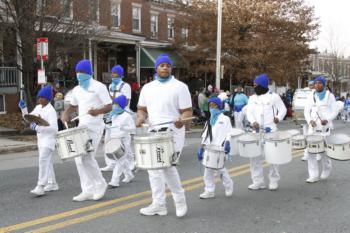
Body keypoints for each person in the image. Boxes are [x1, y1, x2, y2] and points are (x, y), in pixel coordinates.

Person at [136, 54, 192, 218]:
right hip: (153, 132)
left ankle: (179, 200)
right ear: (156, 68)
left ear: (171, 68)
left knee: (167, 167)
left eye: (168, 65)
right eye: (162, 65)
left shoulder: (180, 86)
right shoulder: (148, 88)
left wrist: (182, 120)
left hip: (173, 132)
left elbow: (187, 111)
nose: (165, 67)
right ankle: (158, 204)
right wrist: (140, 117)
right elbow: (142, 109)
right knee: (153, 169)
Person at [61, 59, 112, 201]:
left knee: (88, 157)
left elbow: (109, 106)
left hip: (95, 126)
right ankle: (87, 190)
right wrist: (65, 114)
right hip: (82, 126)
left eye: (82, 72)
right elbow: (72, 106)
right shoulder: (76, 90)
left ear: (89, 72)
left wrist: (97, 111)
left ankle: (100, 184)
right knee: (79, 159)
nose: (79, 74)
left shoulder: (99, 87)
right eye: (77, 72)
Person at [246, 74, 287, 190]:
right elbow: (249, 112)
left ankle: (273, 180)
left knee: (273, 157)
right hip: (256, 131)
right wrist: (253, 121)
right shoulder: (252, 98)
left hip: (271, 131)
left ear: (263, 85)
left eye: (256, 85)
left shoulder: (274, 97)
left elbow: (283, 109)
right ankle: (258, 181)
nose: (254, 87)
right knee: (254, 157)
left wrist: (278, 118)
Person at [18, 86, 59, 196]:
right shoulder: (38, 107)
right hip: (41, 140)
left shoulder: (51, 111)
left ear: (48, 99)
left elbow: (55, 128)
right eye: (39, 97)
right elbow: (28, 118)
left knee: (43, 161)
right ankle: (52, 184)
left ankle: (41, 186)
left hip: (49, 141)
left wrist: (38, 128)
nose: (40, 99)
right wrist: (24, 109)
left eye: (43, 97)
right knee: (47, 162)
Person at [197, 97, 233, 199]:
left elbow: (229, 132)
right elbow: (205, 136)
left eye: (214, 105)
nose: (212, 107)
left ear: (219, 106)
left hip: (220, 149)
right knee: (207, 171)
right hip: (210, 149)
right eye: (210, 105)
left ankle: (229, 186)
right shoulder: (209, 121)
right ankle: (209, 190)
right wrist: (201, 148)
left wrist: (228, 143)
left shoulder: (225, 119)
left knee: (221, 170)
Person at [304, 76, 338, 183]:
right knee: (311, 152)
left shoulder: (330, 96)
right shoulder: (311, 96)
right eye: (315, 83)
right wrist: (310, 121)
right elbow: (306, 111)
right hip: (313, 128)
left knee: (324, 152)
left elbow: (335, 111)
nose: (317, 85)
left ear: (324, 84)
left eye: (319, 83)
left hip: (324, 128)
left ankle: (327, 168)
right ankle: (313, 175)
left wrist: (327, 120)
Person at [100, 65, 132, 172]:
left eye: (115, 74)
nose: (113, 76)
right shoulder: (110, 86)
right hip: (113, 116)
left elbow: (126, 101)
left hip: (123, 116)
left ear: (120, 75)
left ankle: (130, 164)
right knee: (108, 140)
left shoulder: (125, 86)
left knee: (125, 144)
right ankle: (111, 164)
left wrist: (112, 98)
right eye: (112, 73)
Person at [106, 94, 136, 187]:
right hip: (115, 139)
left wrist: (124, 128)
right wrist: (108, 126)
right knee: (121, 160)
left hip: (124, 140)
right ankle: (129, 175)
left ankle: (114, 181)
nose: (115, 106)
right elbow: (113, 126)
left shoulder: (127, 116)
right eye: (114, 104)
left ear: (122, 106)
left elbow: (132, 128)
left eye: (117, 105)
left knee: (120, 160)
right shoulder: (114, 115)